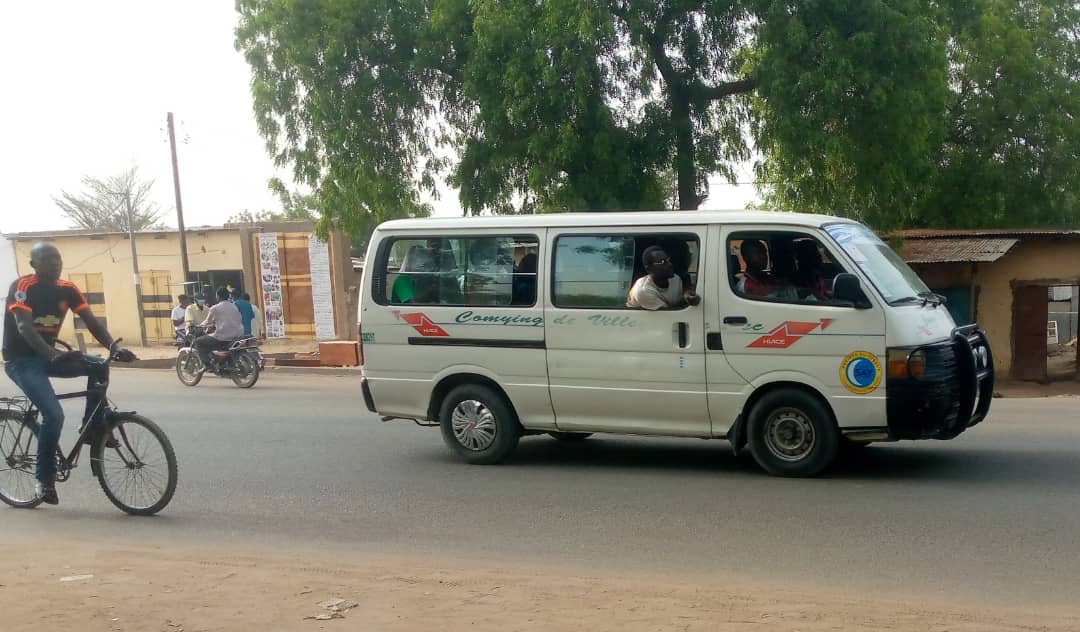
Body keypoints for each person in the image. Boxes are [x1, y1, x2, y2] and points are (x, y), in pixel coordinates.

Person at [3, 242, 135, 505]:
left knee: (98, 364)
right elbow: (24, 328)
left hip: (52, 357)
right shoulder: (23, 286)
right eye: (48, 259)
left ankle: (92, 429)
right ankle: (44, 480)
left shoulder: (68, 289)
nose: (55, 263)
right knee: (53, 414)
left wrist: (113, 347)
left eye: (57, 259)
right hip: (23, 361)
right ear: (34, 264)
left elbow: (92, 321)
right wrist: (52, 355)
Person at [626, 246, 701, 310]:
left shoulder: (675, 279)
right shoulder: (643, 291)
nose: (670, 264)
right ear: (649, 269)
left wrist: (687, 295)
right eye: (662, 262)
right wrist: (685, 300)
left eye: (668, 260)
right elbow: (668, 314)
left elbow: (677, 303)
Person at [194, 287, 244, 371]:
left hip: (222, 337)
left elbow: (207, 322)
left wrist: (198, 326)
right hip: (237, 335)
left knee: (198, 342)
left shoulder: (215, 308)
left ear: (218, 296)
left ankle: (207, 364)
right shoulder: (234, 306)